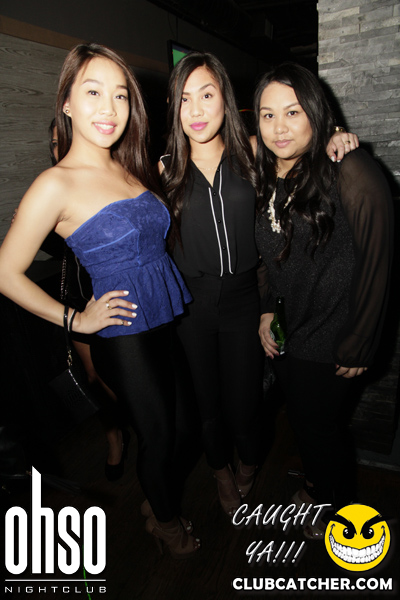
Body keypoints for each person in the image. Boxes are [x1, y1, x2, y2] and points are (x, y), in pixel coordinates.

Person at [0, 43, 200, 557]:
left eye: (120, 95)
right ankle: (167, 523)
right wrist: (75, 320)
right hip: (124, 330)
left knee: (184, 431)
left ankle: (157, 501)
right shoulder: (54, 184)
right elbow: (5, 272)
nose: (109, 108)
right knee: (160, 437)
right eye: (93, 92)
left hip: (164, 314)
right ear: (66, 103)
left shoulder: (129, 165)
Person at [159, 51, 358, 517]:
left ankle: (248, 462)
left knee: (247, 404)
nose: (196, 109)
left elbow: (299, 139)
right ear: (174, 107)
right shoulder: (164, 168)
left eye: (207, 94)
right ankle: (220, 472)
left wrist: (336, 134)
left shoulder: (251, 150)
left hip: (245, 299)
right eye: (184, 98)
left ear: (224, 99)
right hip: (191, 305)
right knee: (207, 406)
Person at [254, 62, 393, 538]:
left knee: (320, 428)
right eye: (268, 114)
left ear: (316, 112)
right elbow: (273, 259)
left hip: (333, 337)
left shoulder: (348, 168)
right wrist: (267, 309)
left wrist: (361, 340)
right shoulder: (266, 174)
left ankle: (331, 503)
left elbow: (379, 258)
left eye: (293, 112)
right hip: (289, 332)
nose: (279, 127)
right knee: (305, 421)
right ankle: (318, 482)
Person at [49, 118, 128, 481]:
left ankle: (142, 426)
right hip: (81, 298)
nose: (59, 149)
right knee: (94, 376)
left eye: (64, 140)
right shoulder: (52, 187)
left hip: (121, 293)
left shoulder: (110, 175)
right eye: (53, 143)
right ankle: (114, 438)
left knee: (128, 372)